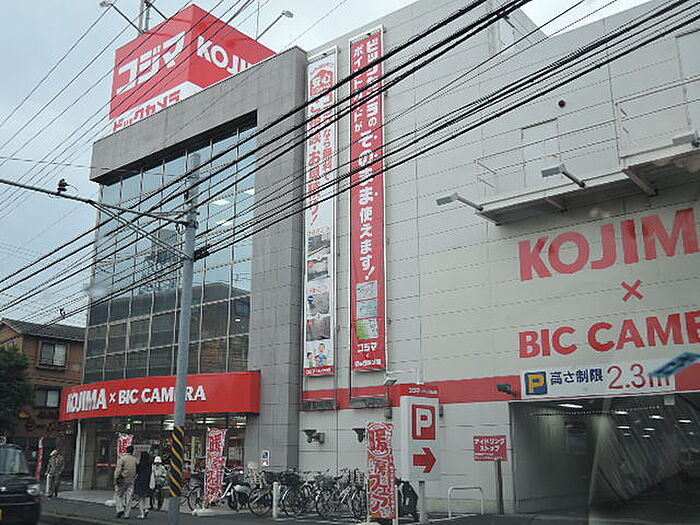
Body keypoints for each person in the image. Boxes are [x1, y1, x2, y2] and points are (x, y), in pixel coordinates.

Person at [114, 445, 137, 519]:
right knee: (129, 497)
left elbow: (118, 470)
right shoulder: (134, 459)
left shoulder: (122, 459)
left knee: (118, 495)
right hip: (131, 480)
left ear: (126, 450)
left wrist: (116, 478)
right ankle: (127, 514)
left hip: (123, 480)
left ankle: (120, 509)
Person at [133, 451, 153, 519]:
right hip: (147, 481)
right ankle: (146, 509)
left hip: (140, 481)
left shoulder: (140, 465)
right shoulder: (149, 465)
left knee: (140, 498)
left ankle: (142, 513)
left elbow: (136, 472)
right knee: (145, 497)